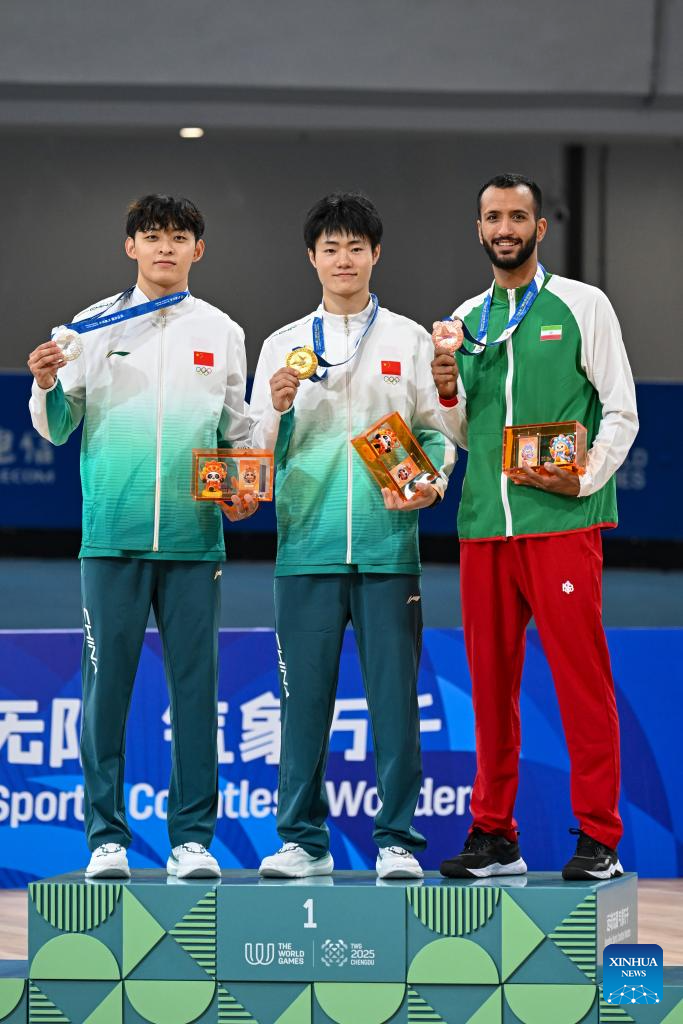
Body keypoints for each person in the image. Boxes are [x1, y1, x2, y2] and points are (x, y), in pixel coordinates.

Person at [27, 194, 265, 879]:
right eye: (152, 236)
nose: (165, 247)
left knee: (195, 693)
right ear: (130, 246)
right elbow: (58, 426)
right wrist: (46, 384)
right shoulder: (88, 328)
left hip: (195, 542)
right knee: (106, 694)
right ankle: (106, 839)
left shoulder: (221, 330)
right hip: (112, 539)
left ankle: (191, 841)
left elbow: (236, 430)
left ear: (198, 250)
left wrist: (245, 485)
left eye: (179, 237)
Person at [431, 173, 638, 881]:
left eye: (517, 216)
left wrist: (584, 479)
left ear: (539, 228)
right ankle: (494, 834)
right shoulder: (464, 321)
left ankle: (599, 837)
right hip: (485, 527)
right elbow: (462, 433)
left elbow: (620, 409)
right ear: (479, 228)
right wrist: (447, 388)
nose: (505, 228)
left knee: (581, 683)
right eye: (493, 217)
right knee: (489, 690)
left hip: (560, 525)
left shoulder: (582, 304)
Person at [250, 191, 455, 879]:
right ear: (311, 258)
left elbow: (434, 432)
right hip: (304, 550)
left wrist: (432, 482)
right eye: (331, 248)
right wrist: (277, 409)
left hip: (387, 547)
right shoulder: (281, 345)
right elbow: (256, 451)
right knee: (302, 703)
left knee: (393, 703)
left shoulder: (409, 340)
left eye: (356, 247)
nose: (344, 259)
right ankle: (302, 842)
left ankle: (395, 840)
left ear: (375, 255)